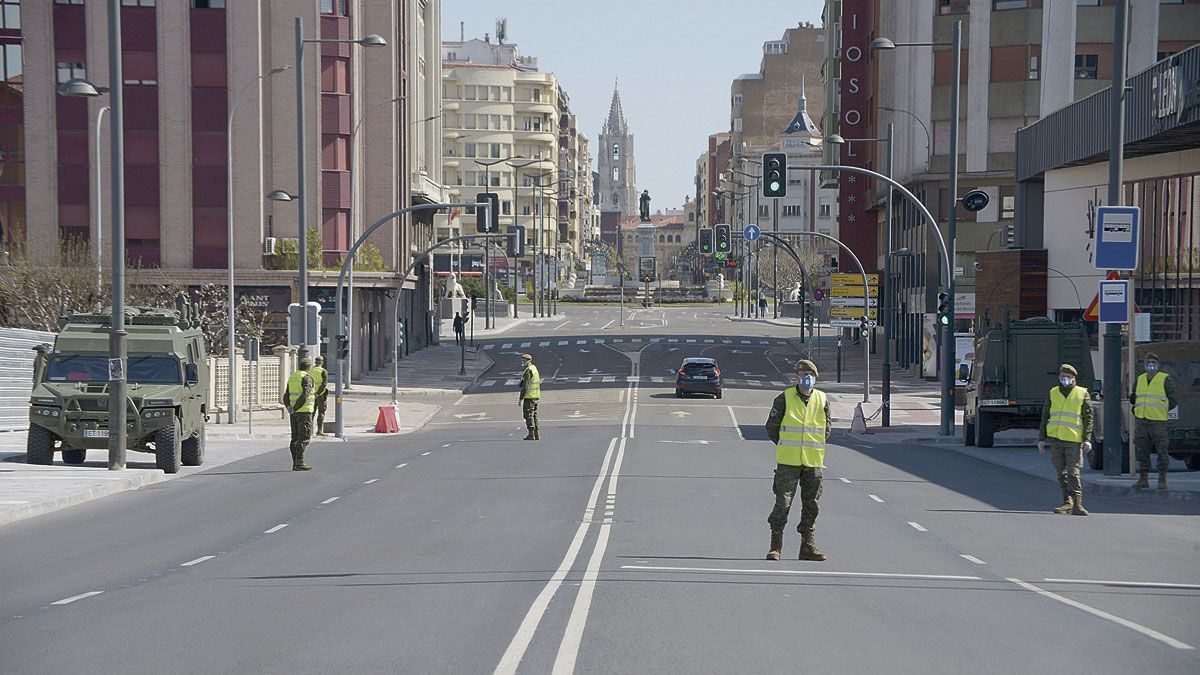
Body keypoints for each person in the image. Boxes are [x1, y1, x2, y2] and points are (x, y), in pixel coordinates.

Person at [764, 359, 832, 561]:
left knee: (812, 504)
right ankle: (775, 547)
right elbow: (771, 427)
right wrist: (785, 444)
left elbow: (826, 429)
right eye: (803, 374)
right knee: (782, 503)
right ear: (797, 377)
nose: (807, 378)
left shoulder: (822, 399)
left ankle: (807, 547)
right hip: (788, 462)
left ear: (816, 379)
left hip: (813, 462)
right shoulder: (784, 398)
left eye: (810, 375)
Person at [1038, 364, 1092, 515]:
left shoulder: (1082, 393)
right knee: (1060, 473)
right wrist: (1041, 439)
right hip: (1055, 439)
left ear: (1074, 378)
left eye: (1068, 377)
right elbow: (1045, 416)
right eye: (1062, 377)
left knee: (1073, 472)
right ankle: (1067, 502)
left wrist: (1087, 439)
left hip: (1073, 440)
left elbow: (1089, 418)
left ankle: (1078, 504)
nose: (1065, 380)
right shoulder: (1053, 392)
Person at [1130, 352, 1177, 490]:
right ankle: (1143, 479)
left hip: (1158, 421)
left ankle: (1162, 479)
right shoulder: (1140, 379)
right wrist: (1136, 410)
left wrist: (1162, 410)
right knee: (1141, 450)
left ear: (1158, 364)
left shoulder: (1165, 379)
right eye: (1148, 362)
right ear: (1144, 365)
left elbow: (1173, 399)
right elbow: (1135, 398)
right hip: (1142, 421)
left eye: (1153, 362)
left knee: (1162, 450)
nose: (1150, 365)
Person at [282, 357, 315, 471]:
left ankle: (295, 462)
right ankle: (299, 462)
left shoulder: (293, 377)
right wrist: (295, 408)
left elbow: (286, 395)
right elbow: (305, 395)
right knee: (304, 437)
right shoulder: (307, 377)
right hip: (304, 412)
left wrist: (289, 408)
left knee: (295, 437)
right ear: (309, 367)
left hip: (294, 413)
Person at [519, 353, 541, 441]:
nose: (523, 362)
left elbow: (525, 386)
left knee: (528, 415)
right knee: (534, 414)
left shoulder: (529, 371)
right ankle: (536, 434)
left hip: (529, 396)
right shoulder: (534, 368)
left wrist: (520, 398)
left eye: (524, 361)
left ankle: (531, 434)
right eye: (522, 360)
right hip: (536, 395)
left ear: (529, 361)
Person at [310, 356, 329, 437]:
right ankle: (319, 430)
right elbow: (324, 384)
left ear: (315, 362)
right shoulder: (323, 371)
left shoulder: (310, 370)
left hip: (311, 394)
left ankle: (309, 431)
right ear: (322, 362)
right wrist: (318, 393)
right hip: (320, 395)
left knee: (311, 413)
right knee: (321, 413)